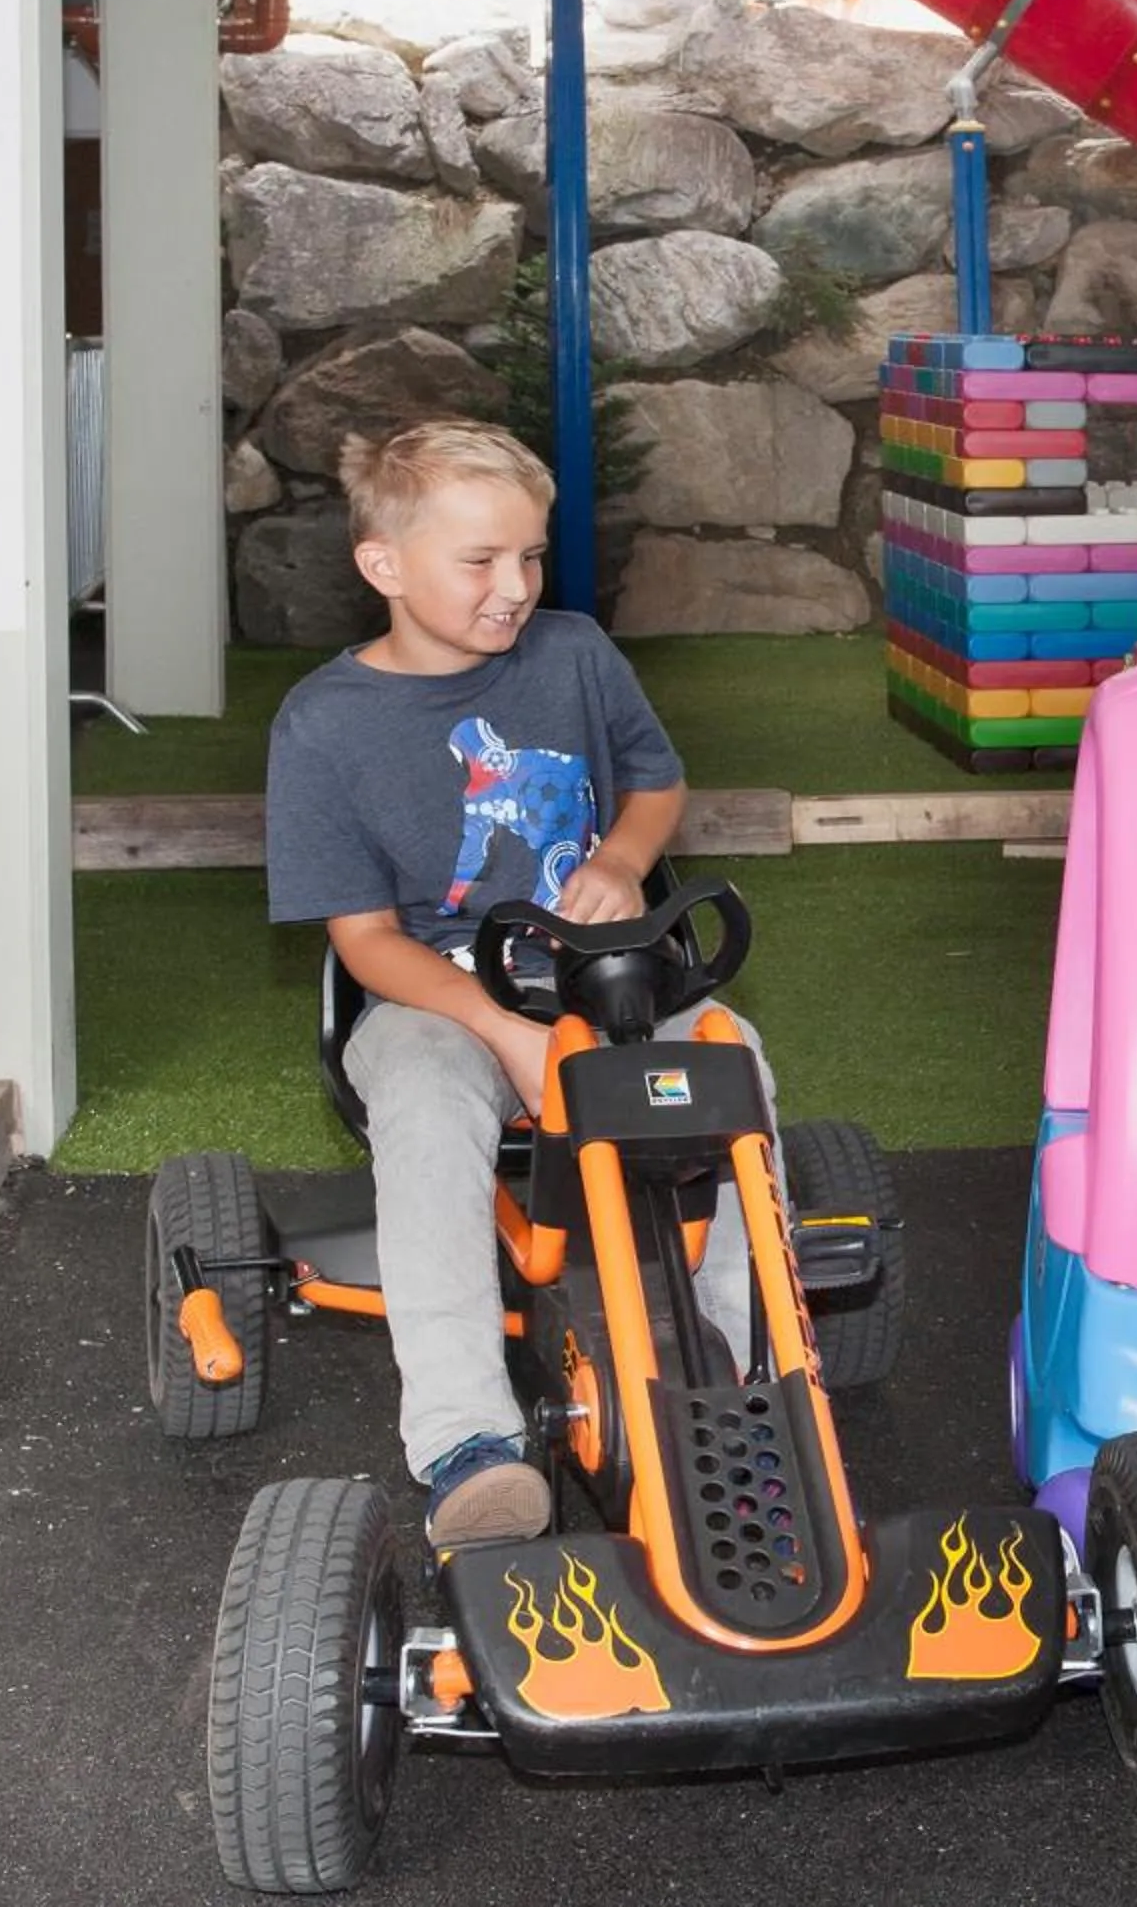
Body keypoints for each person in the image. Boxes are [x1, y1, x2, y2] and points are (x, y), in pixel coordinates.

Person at [264, 419, 770, 1550]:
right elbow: (365, 941)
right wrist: (503, 1033)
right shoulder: (324, 726)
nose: (515, 587)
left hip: (609, 974)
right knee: (431, 1101)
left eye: (531, 557)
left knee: (731, 1056)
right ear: (384, 565)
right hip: (435, 995)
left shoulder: (575, 652)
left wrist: (623, 861)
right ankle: (466, 1441)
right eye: (481, 561)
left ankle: (732, 1372)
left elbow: (653, 781)